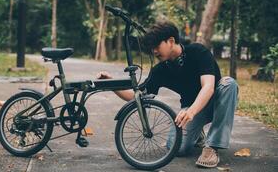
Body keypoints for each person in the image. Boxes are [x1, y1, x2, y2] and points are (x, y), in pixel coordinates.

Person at [97, 20, 238, 168]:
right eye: (152, 49)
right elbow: (136, 96)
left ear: (171, 41)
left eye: (156, 46)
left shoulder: (198, 51)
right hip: (192, 109)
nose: (154, 52)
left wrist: (191, 111)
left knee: (229, 84)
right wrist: (111, 84)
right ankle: (197, 135)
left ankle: (212, 147)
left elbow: (208, 87)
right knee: (176, 147)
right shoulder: (160, 70)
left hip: (217, 102)